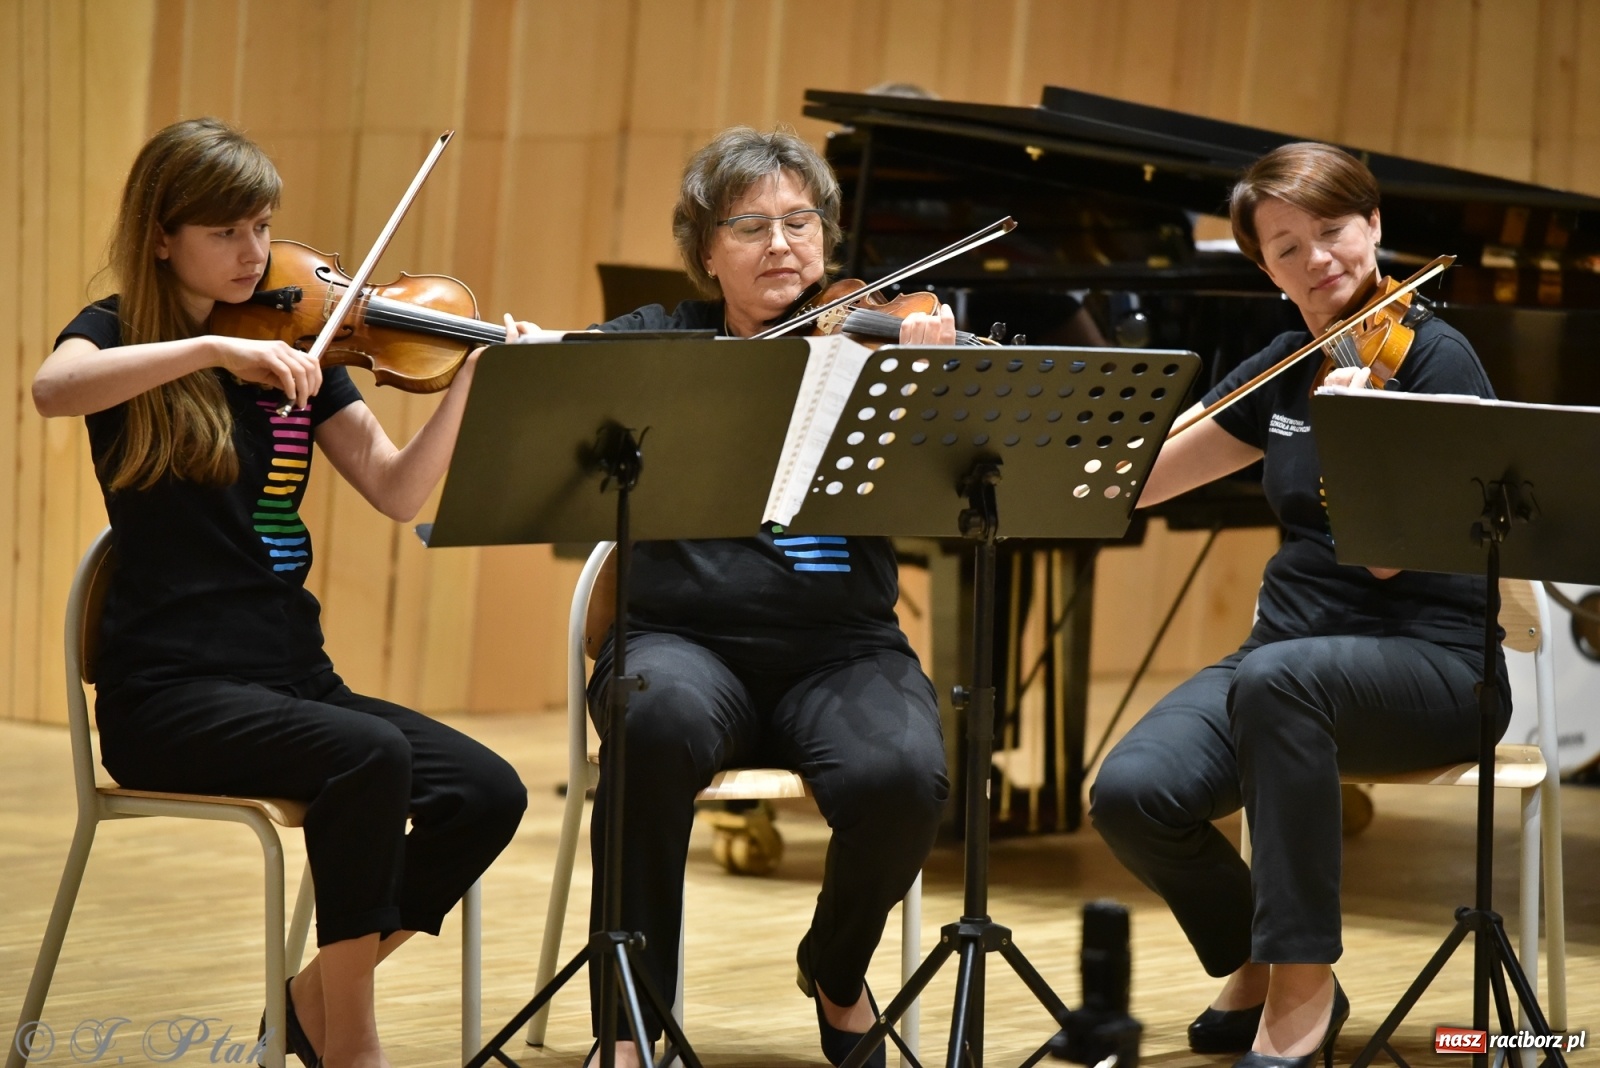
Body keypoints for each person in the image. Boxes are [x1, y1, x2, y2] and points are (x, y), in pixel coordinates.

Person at [32, 117, 532, 1068]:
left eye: (262, 227)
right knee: (369, 756)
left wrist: (472, 380)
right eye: (227, 232)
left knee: (485, 791)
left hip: (291, 677)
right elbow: (56, 390)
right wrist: (212, 352)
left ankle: (308, 1003)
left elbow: (396, 490)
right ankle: (354, 1043)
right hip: (169, 694)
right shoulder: (124, 336)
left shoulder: (299, 337)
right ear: (161, 236)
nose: (255, 254)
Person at [1089, 142, 1508, 1068]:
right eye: (1286, 248)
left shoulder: (1435, 360)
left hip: (1435, 666)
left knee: (1281, 678)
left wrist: (1358, 439)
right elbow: (1150, 482)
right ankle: (1251, 948)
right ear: (1262, 266)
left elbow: (1396, 564)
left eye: (1332, 231)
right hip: (1289, 661)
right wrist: (1097, 418)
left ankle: (1303, 979)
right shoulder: (1291, 361)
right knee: (1131, 793)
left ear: (1375, 227)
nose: (1316, 259)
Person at [585, 125, 955, 1068]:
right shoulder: (658, 345)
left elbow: (962, 486)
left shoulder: (876, 351)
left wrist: (940, 378)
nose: (782, 245)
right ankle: (631, 1028)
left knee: (905, 776)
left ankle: (836, 972)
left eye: (800, 222)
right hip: (680, 645)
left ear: (827, 237)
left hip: (843, 649)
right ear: (705, 250)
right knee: (649, 722)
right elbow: (556, 391)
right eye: (751, 227)